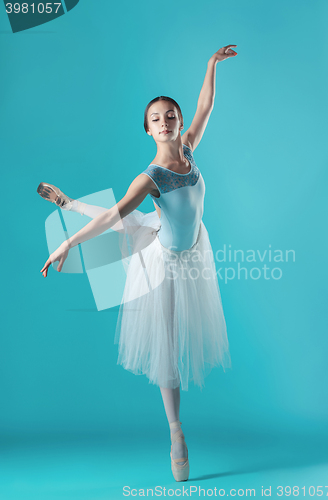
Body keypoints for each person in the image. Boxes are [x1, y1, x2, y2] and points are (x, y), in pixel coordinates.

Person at [39, 44, 237, 482]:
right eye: (155, 118)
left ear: (179, 123)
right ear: (146, 130)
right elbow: (114, 214)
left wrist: (210, 65)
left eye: (171, 115)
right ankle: (176, 433)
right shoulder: (150, 177)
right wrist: (68, 243)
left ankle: (70, 204)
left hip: (191, 249)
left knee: (137, 226)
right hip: (163, 260)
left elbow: (206, 105)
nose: (165, 122)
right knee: (164, 339)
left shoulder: (189, 148)